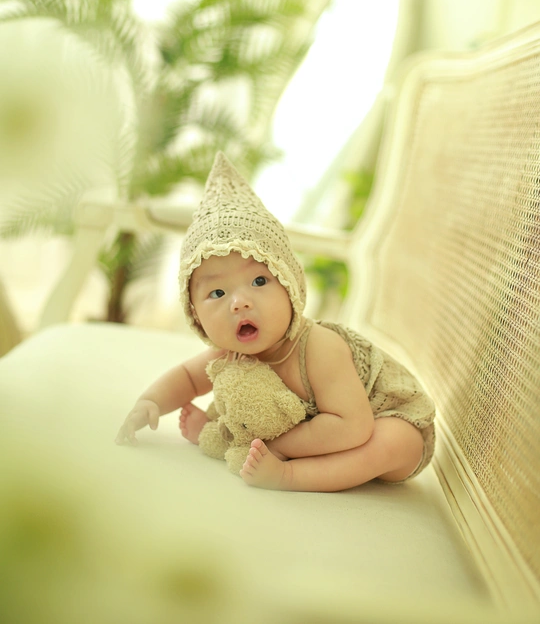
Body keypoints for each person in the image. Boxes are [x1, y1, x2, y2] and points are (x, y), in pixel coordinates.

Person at [116, 152, 435, 492]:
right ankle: (222, 438)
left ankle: (289, 475)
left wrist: (278, 448)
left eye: (258, 281)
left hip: (383, 420)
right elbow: (187, 378)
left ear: (290, 285)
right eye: (217, 293)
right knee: (241, 414)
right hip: (324, 435)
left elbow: (353, 427)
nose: (240, 302)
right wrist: (150, 402)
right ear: (195, 314)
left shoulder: (317, 347)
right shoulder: (229, 354)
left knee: (394, 441)